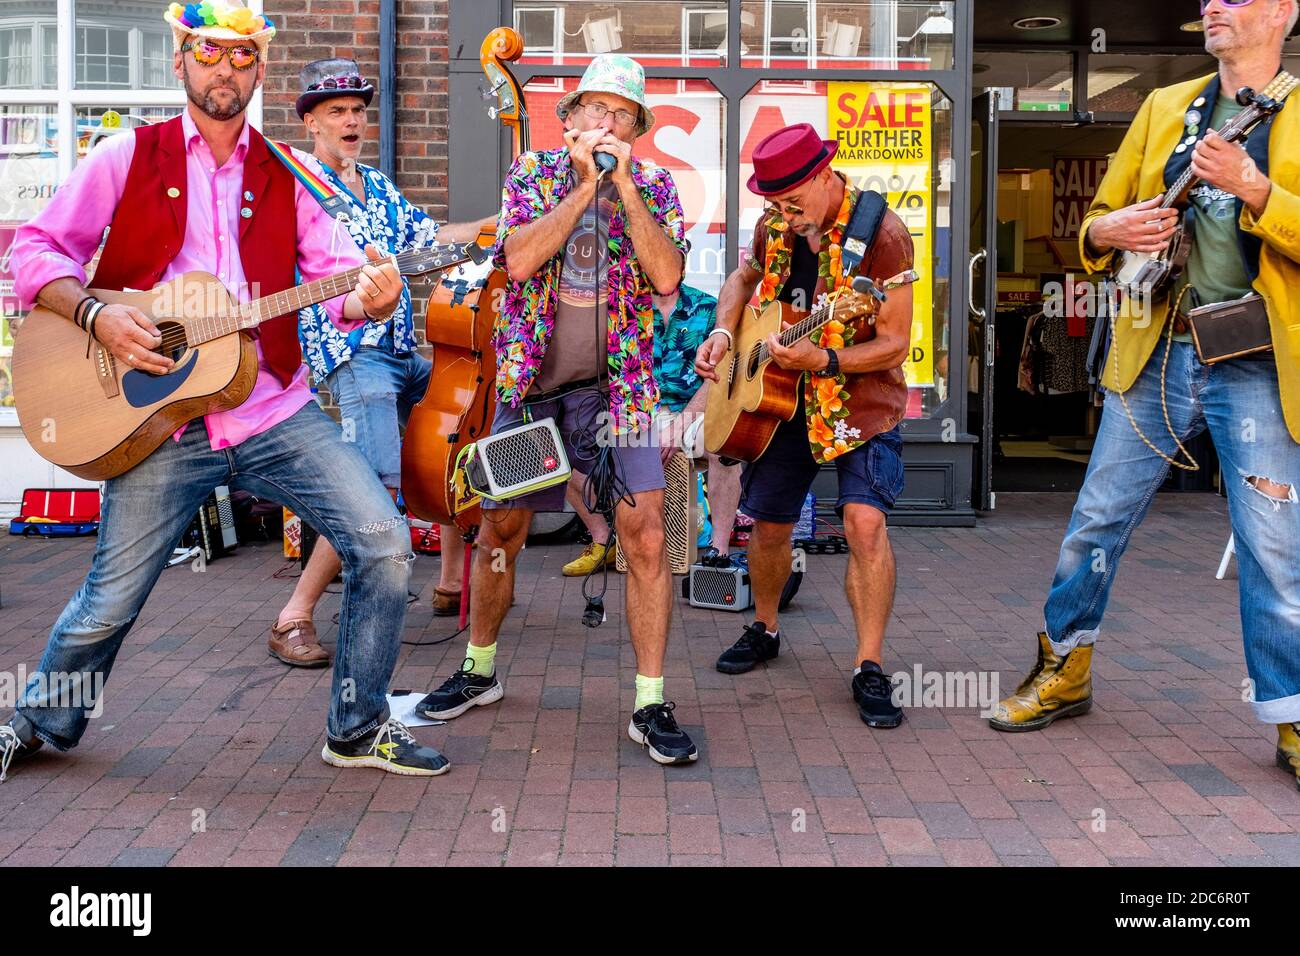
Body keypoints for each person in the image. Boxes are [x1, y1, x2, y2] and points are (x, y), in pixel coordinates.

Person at [0, 1, 448, 782]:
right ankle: (38, 719)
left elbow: (335, 278)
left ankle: (357, 723)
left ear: (260, 70)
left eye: (242, 57)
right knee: (108, 600)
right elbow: (37, 252)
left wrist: (370, 296)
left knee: (383, 541)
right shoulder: (125, 157)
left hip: (271, 408)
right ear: (180, 61)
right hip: (160, 421)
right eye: (209, 53)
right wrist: (99, 316)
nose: (226, 70)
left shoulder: (291, 172)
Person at [986, 0, 1300, 792]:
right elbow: (1098, 225)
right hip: (1158, 348)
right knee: (1097, 515)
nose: (1212, 7)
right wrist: (1108, 231)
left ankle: (1291, 716)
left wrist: (1258, 191)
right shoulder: (1165, 106)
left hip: (1259, 358)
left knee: (1272, 548)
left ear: (1284, 10)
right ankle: (1064, 670)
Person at [415, 54, 700, 765]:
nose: (606, 123)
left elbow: (667, 276)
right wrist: (582, 188)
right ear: (568, 119)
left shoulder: (657, 186)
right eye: (595, 111)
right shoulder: (533, 176)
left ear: (638, 129)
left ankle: (650, 701)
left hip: (618, 396)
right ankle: (479, 671)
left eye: (622, 114)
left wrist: (624, 191)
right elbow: (517, 260)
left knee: (645, 538)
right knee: (500, 532)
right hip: (533, 392)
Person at [271, 57, 495, 668]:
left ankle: (450, 581)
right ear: (311, 122)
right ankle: (293, 615)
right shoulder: (301, 187)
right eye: (337, 111)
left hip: (397, 351)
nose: (351, 120)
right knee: (369, 485)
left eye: (357, 111)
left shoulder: (377, 184)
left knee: (457, 428)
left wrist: (492, 228)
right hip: (353, 353)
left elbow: (430, 240)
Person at [695, 123, 918, 728]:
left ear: (825, 175)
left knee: (863, 523)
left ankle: (869, 664)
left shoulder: (885, 237)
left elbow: (895, 343)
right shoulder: (774, 224)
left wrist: (825, 358)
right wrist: (723, 332)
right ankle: (764, 627)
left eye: (794, 202)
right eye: (775, 205)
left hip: (859, 400)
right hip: (780, 399)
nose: (786, 217)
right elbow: (744, 281)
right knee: (768, 526)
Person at [558, 283, 742, 577]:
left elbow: (719, 376)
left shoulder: (709, 306)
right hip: (636, 414)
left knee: (727, 448)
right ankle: (603, 539)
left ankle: (718, 555)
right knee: (563, 453)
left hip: (691, 413)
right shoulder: (623, 308)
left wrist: (679, 424)